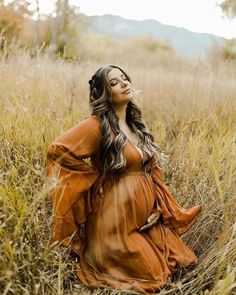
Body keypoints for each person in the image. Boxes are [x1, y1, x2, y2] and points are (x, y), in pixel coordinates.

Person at [46, 65, 202, 294]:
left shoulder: (136, 125)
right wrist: (95, 179)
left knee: (183, 262)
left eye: (124, 78)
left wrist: (158, 206)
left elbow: (152, 171)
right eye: (114, 83)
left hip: (146, 218)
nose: (124, 83)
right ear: (104, 94)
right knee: (153, 278)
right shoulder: (96, 125)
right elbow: (57, 151)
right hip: (114, 222)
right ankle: (103, 254)